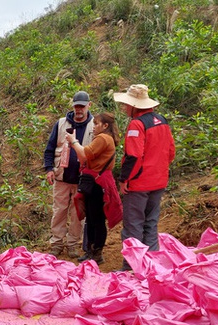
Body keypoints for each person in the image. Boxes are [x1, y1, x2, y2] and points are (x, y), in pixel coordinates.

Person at [113, 84, 175, 270]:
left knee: (133, 226)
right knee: (151, 223)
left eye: (126, 105)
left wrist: (125, 179)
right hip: (159, 181)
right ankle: (152, 266)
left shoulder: (137, 124)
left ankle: (132, 268)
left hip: (139, 183)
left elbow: (133, 156)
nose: (125, 108)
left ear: (134, 106)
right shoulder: (162, 121)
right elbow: (171, 151)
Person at [65, 112, 122, 264]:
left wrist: (73, 141)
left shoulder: (103, 138)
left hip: (97, 182)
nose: (94, 126)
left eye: (97, 124)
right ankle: (92, 251)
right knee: (92, 217)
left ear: (105, 126)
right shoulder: (105, 138)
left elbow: (85, 154)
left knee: (95, 218)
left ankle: (96, 253)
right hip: (96, 181)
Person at [43, 91, 94, 259]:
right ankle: (56, 243)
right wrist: (49, 169)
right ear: (72, 106)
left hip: (82, 179)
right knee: (59, 211)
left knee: (77, 214)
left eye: (82, 106)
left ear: (89, 105)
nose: (78, 109)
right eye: (76, 106)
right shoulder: (61, 124)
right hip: (61, 177)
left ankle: (73, 244)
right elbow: (50, 148)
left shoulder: (95, 125)